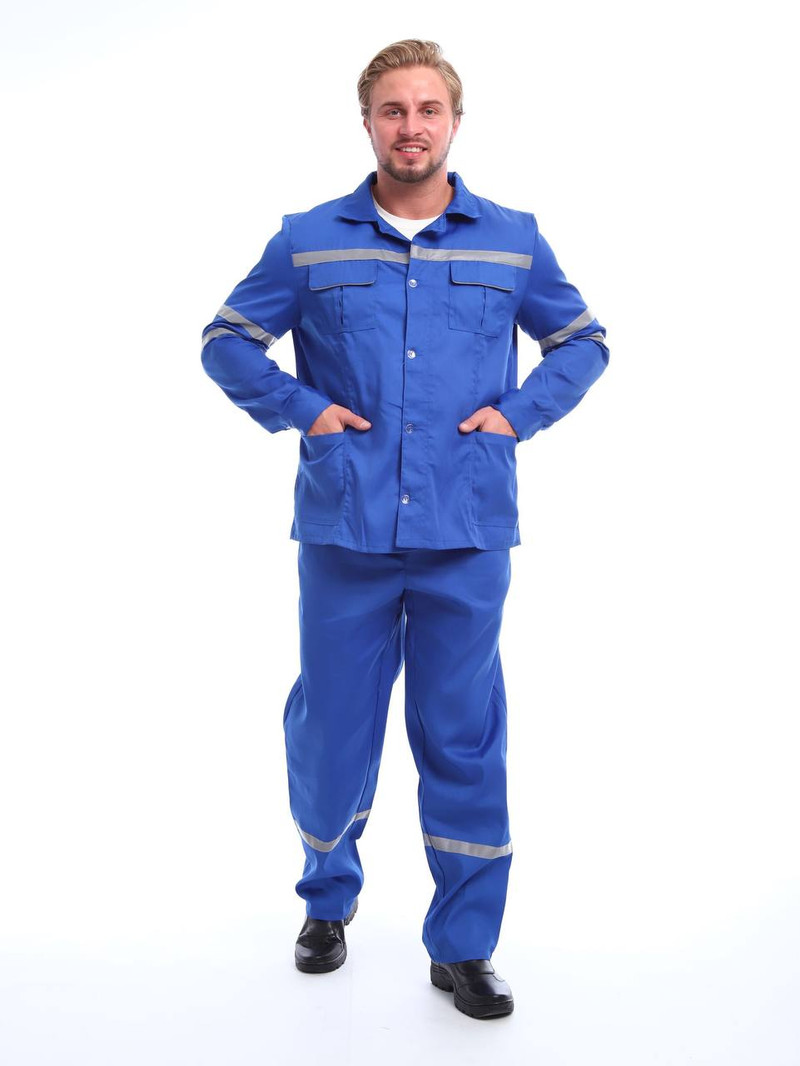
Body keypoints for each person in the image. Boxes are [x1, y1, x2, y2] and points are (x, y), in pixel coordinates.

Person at [200, 38, 609, 1020]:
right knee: (332, 733)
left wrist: (519, 415)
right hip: (344, 531)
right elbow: (225, 340)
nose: (411, 126)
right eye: (393, 109)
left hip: (467, 531)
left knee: (463, 735)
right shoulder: (309, 238)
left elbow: (582, 341)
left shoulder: (512, 239)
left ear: (454, 122)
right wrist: (303, 411)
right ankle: (326, 898)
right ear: (367, 122)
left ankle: (463, 946)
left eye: (428, 109)